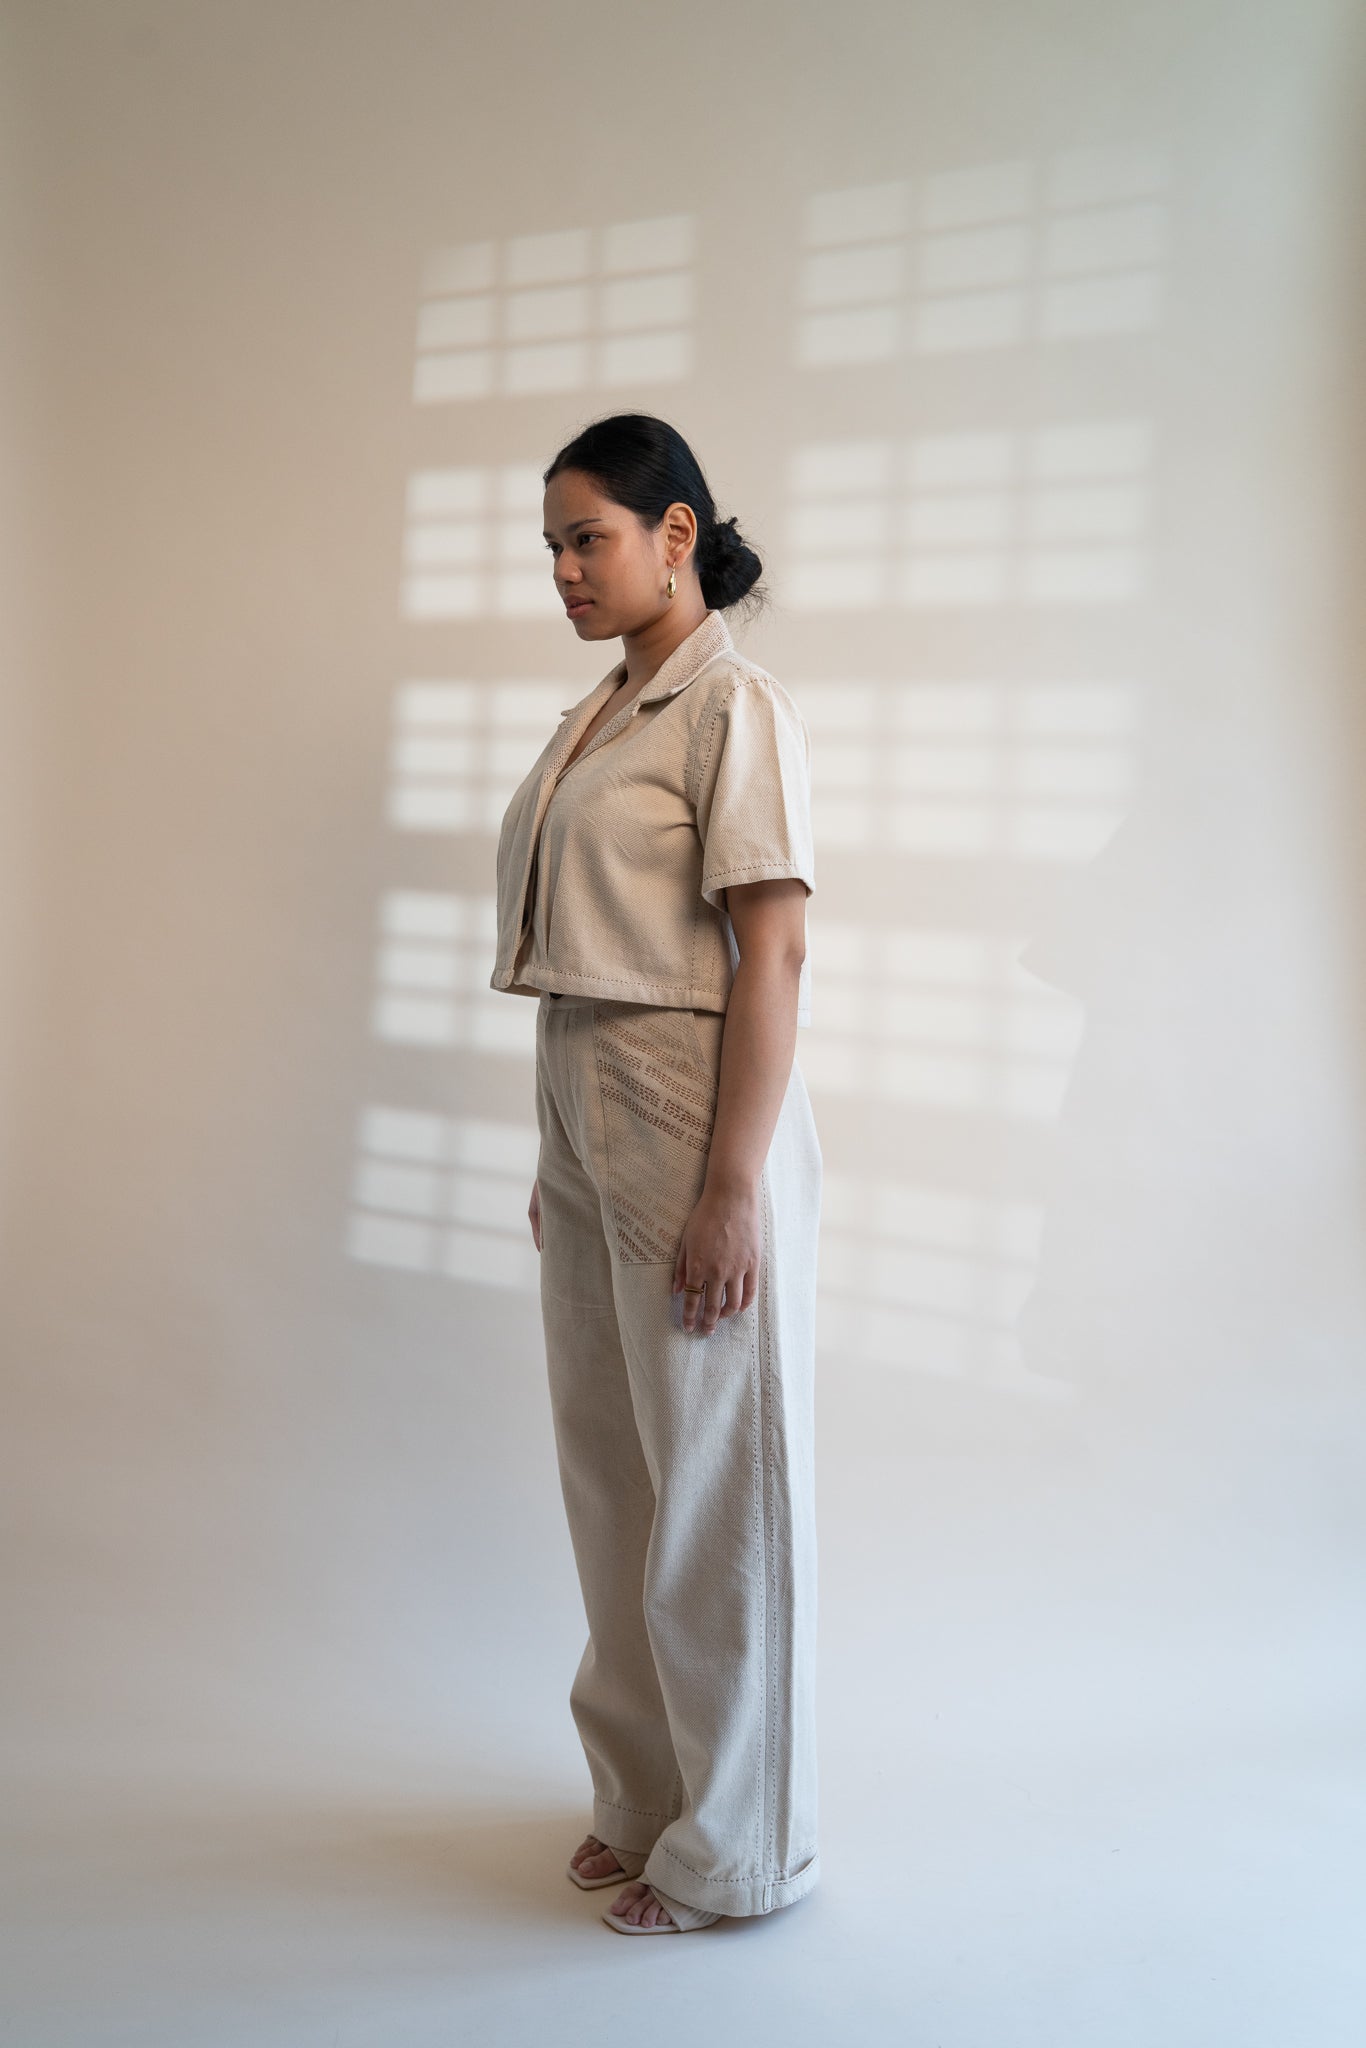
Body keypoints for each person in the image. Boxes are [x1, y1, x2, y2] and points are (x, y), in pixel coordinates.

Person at [490, 412, 822, 1936]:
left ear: (674, 535)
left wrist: (732, 1185)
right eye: (553, 546)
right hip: (584, 1097)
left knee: (713, 1484)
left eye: (589, 539)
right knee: (611, 1471)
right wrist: (562, 1145)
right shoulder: (600, 712)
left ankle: (739, 1849)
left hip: (689, 1108)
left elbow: (775, 954)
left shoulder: (727, 706)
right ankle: (641, 1795)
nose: (564, 569)